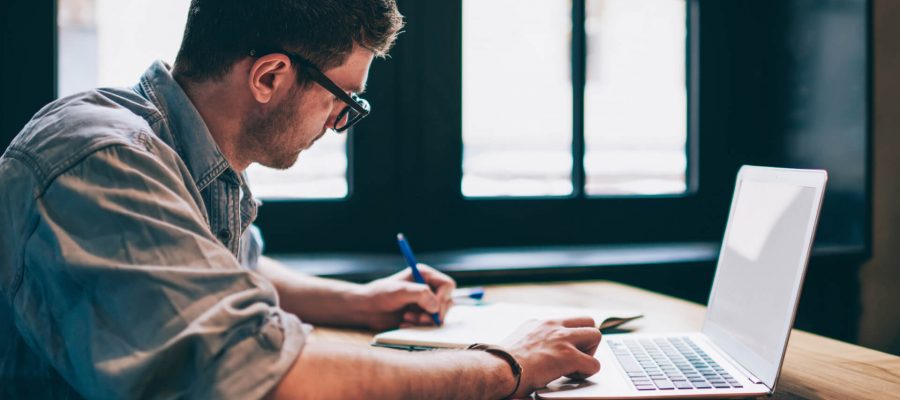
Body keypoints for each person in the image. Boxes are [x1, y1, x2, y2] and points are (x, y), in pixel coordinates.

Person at [0, 0, 602, 398]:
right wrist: (506, 363)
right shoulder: (103, 162)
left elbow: (235, 270)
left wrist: (364, 304)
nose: (343, 120)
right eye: (347, 99)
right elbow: (265, 375)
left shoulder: (182, 151)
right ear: (268, 77)